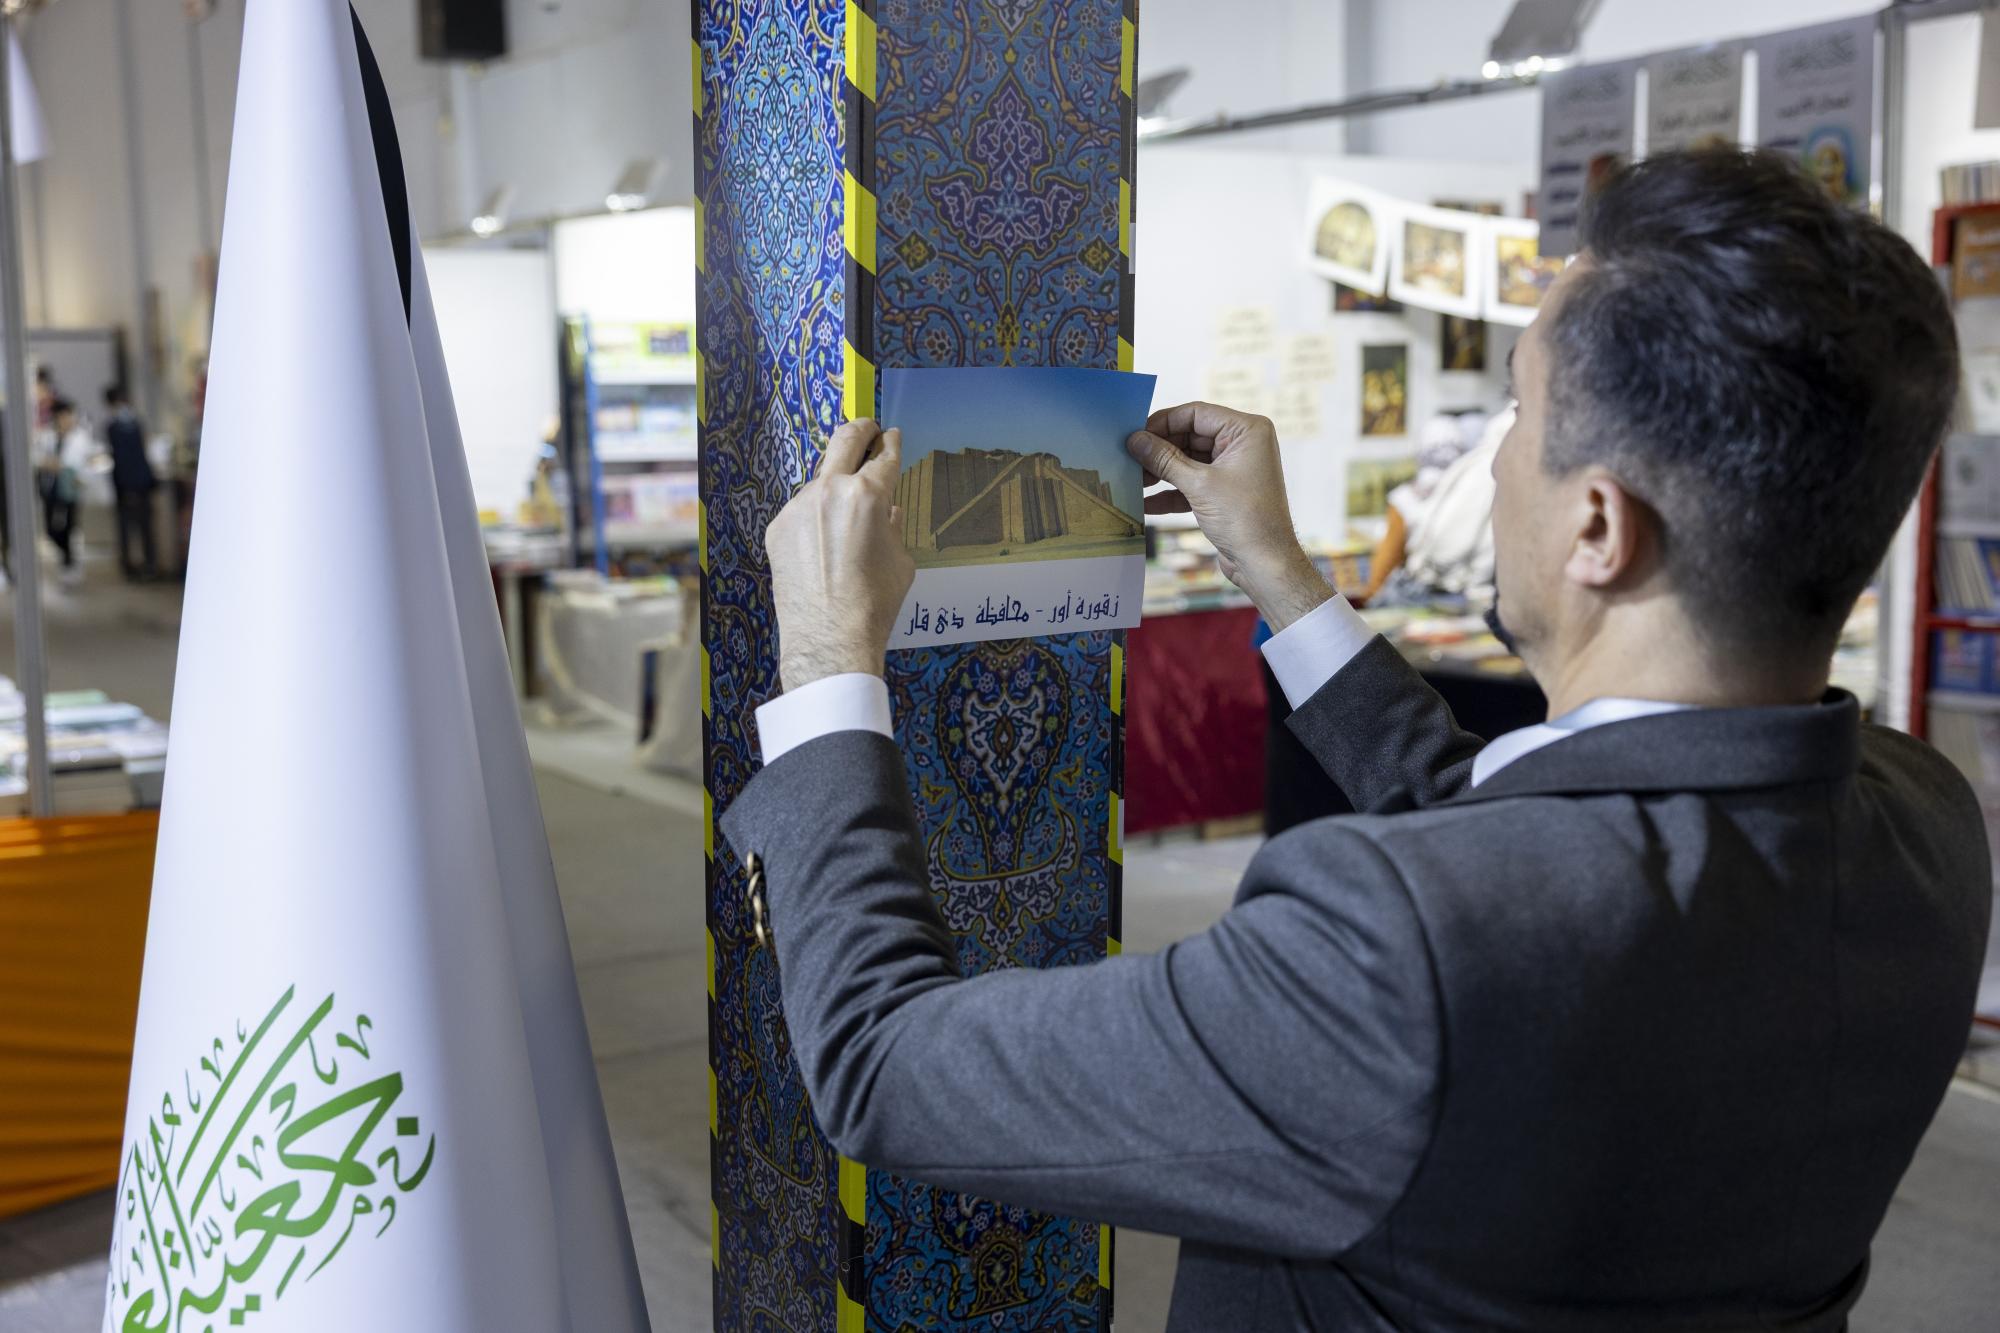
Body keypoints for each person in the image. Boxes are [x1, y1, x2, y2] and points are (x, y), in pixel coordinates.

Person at [724, 151, 1990, 1330]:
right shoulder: (1922, 825)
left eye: (1515, 414)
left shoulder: (1394, 945)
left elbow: (885, 1064)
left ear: (1597, 527)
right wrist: (1279, 573)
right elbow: (1522, 839)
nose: (1492, 465)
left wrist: (829, 659)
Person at [103, 385, 158, 580]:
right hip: (141, 482)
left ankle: (132, 567)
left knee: (128, 526)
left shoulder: (113, 427)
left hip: (126, 484)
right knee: (144, 525)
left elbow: (121, 459)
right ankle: (148, 565)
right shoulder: (136, 423)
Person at [36, 397, 90, 582]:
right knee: (51, 530)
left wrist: (61, 466)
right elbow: (38, 458)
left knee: (69, 526)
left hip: (71, 487)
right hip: (51, 487)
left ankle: (69, 561)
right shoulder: (48, 436)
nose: (66, 419)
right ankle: (66, 556)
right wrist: (49, 463)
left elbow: (82, 462)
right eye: (63, 416)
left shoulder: (80, 437)